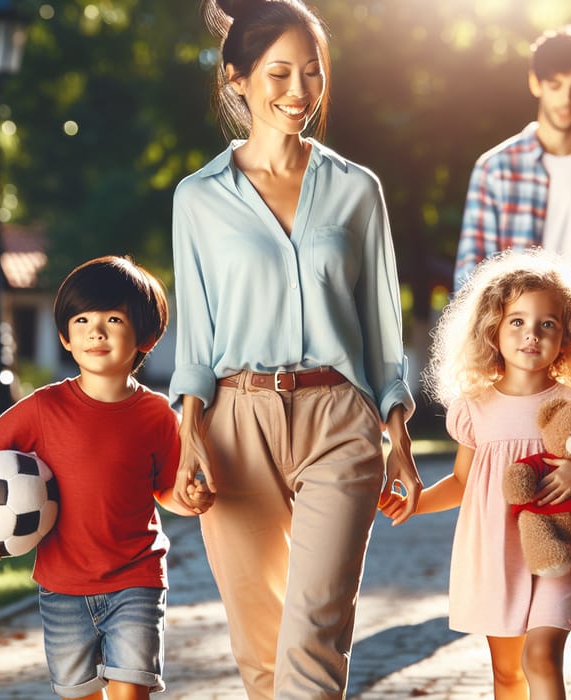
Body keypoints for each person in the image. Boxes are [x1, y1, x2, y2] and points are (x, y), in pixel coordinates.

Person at [168, 0, 423, 697]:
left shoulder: (356, 191)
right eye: (279, 73)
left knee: (312, 635)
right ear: (236, 79)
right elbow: (196, 339)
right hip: (234, 425)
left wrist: (397, 437)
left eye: (312, 73)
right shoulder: (198, 199)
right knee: (260, 648)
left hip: (339, 422)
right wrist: (188, 434)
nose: (299, 91)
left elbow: (380, 333)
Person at [0, 255, 212, 700]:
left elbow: (165, 490)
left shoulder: (157, 414)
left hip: (136, 578)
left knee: (131, 693)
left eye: (113, 319)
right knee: (77, 695)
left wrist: (191, 500)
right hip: (62, 588)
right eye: (81, 319)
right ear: (65, 336)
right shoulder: (44, 408)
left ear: (147, 336)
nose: (95, 330)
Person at [382, 249, 571, 699]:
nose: (531, 334)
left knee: (541, 656)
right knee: (508, 673)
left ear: (567, 338)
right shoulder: (475, 407)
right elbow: (462, 482)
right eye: (517, 321)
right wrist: (415, 504)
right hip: (497, 552)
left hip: (561, 549)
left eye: (547, 324)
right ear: (493, 330)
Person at [455, 25, 571, 405]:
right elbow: (472, 280)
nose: (566, 99)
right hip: (516, 362)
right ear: (536, 84)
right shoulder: (496, 168)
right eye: (555, 84)